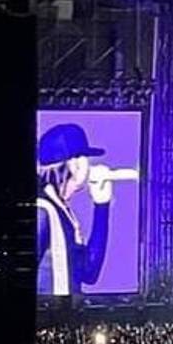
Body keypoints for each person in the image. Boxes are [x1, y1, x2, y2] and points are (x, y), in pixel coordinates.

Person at [36, 123, 114, 296]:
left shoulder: (62, 212)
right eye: (86, 158)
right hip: (47, 319)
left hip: (63, 318)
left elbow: (89, 272)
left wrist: (102, 205)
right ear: (76, 163)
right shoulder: (41, 211)